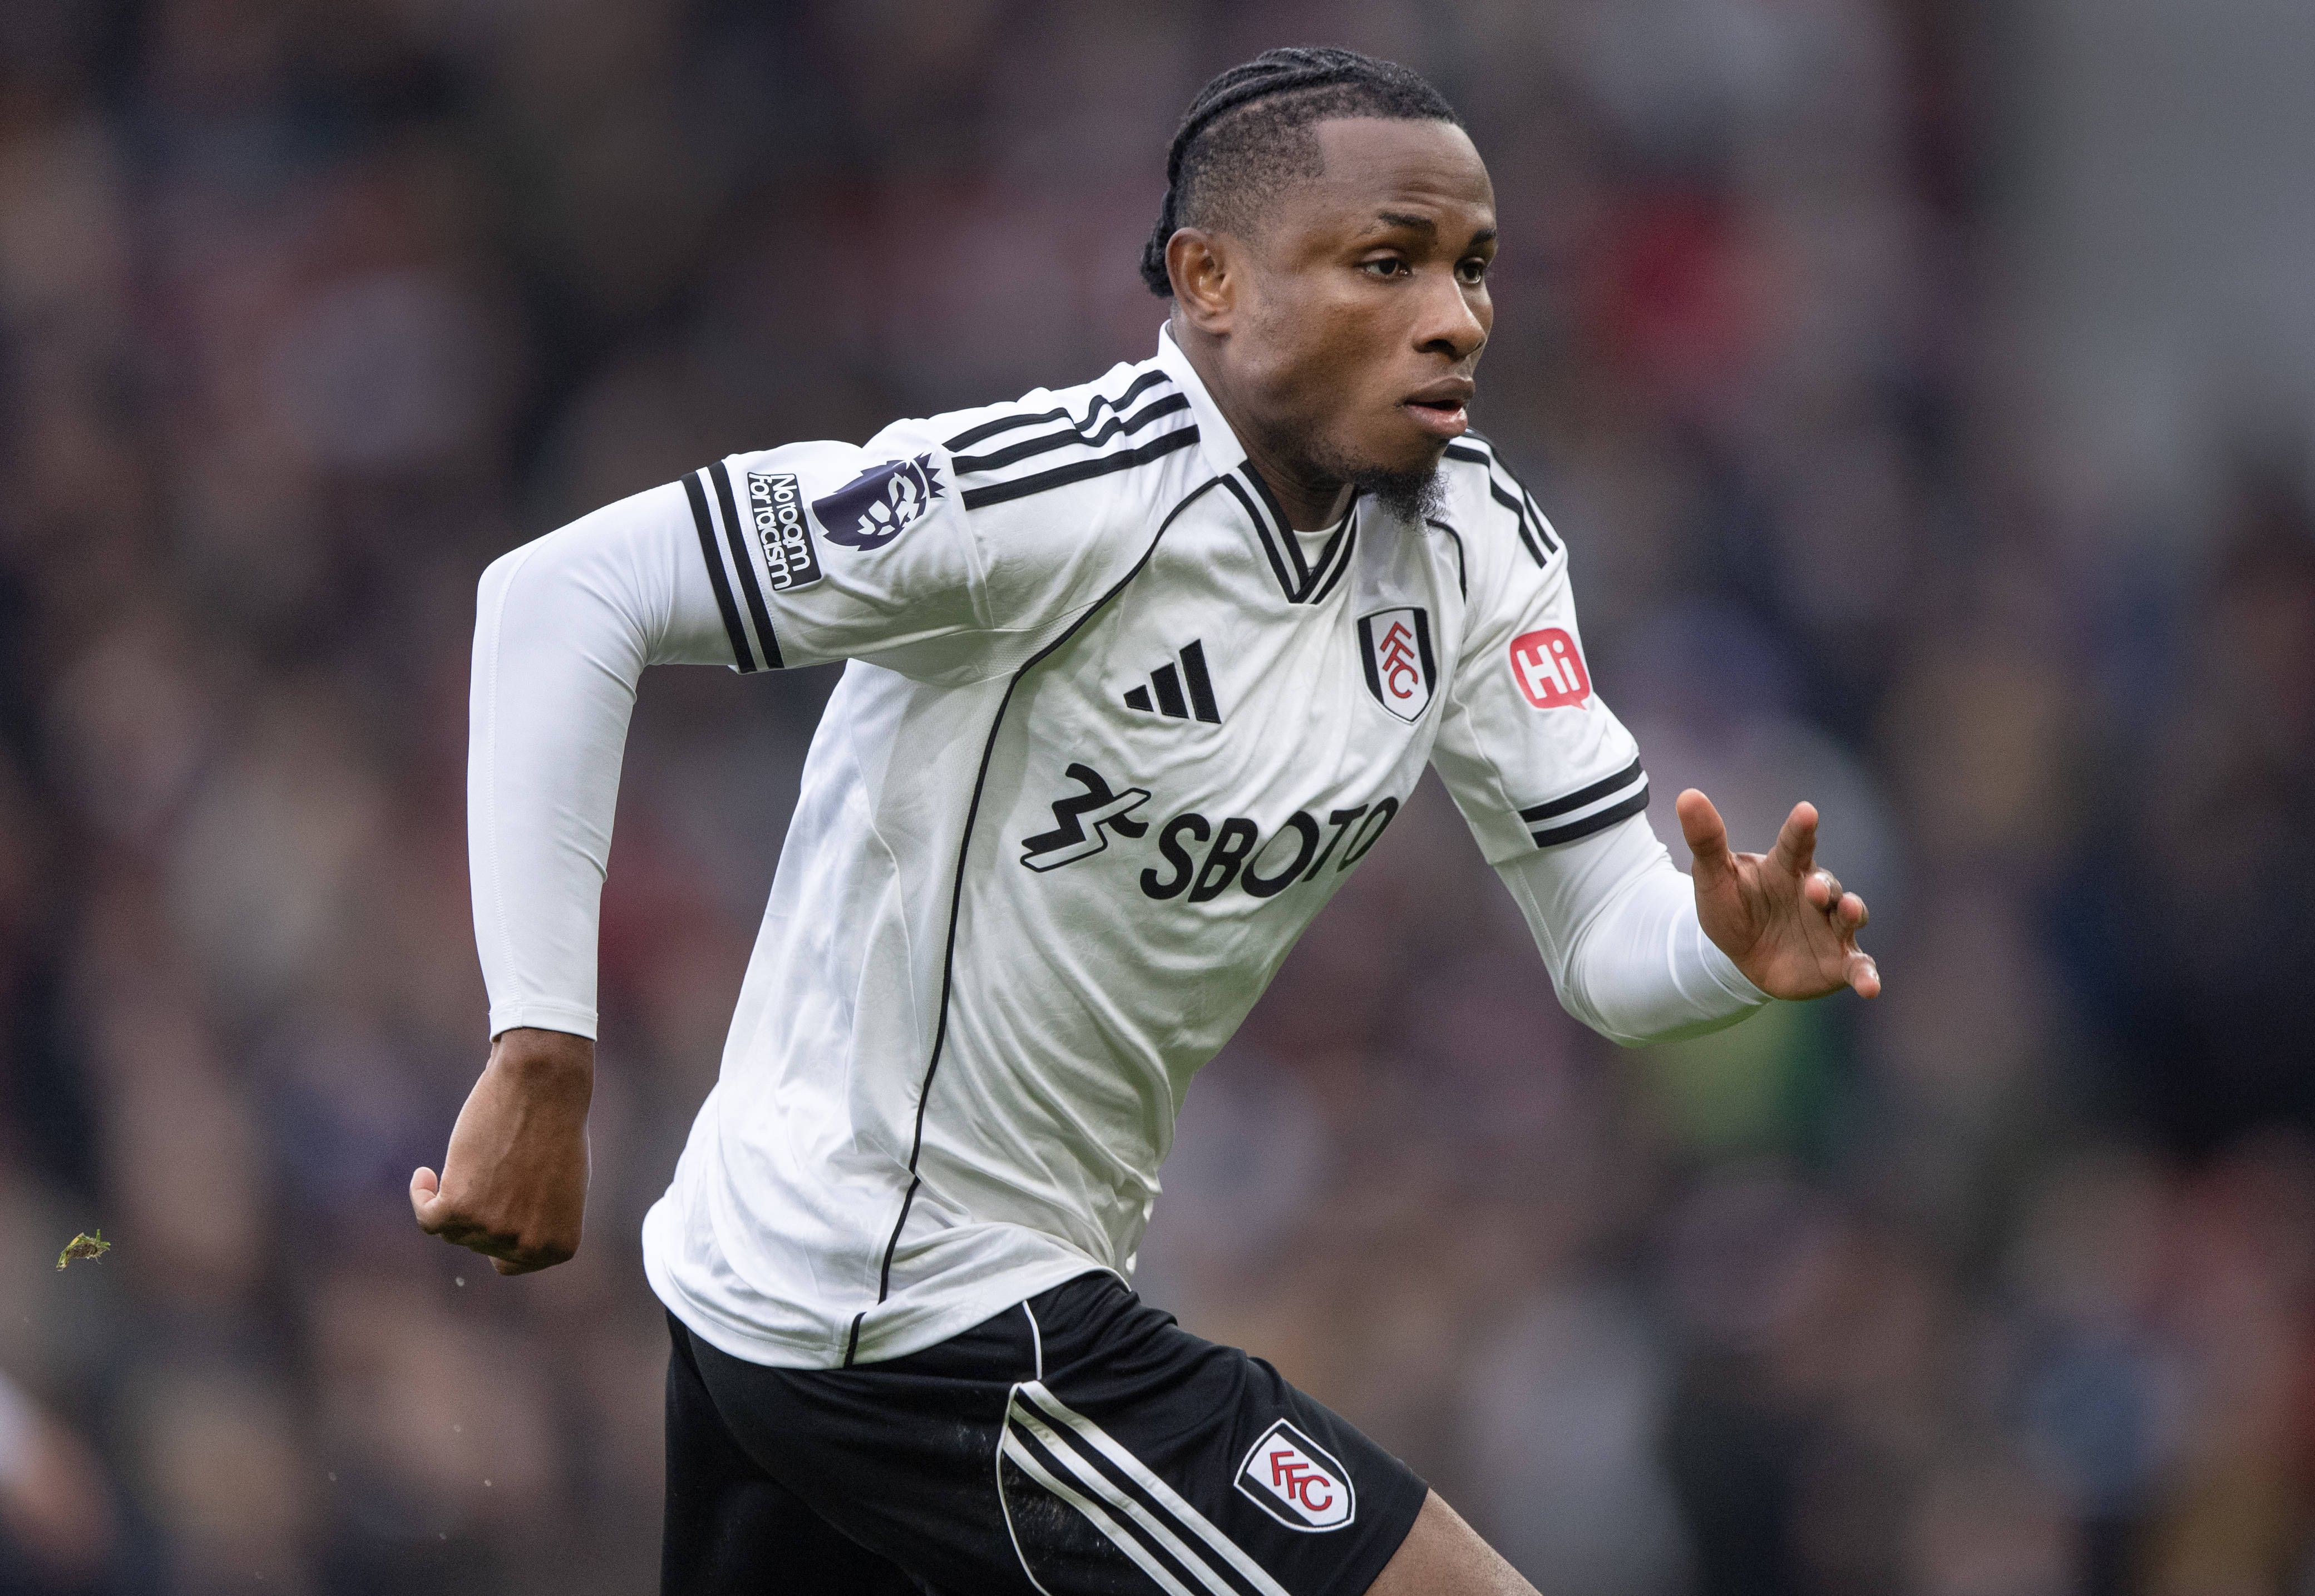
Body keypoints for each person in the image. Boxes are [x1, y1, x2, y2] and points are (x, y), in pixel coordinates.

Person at [413, 46, 1879, 1596]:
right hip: (911, 1305)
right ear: (1211, 281)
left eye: (1472, 268)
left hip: (813, 1289)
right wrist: (542, 1052)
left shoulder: (1473, 548)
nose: (1456, 316)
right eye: (1386, 263)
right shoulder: (1049, 501)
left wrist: (1714, 949)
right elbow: (564, 596)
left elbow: (1600, 936)